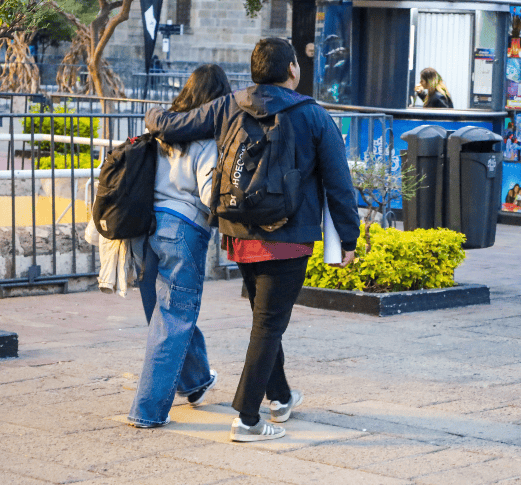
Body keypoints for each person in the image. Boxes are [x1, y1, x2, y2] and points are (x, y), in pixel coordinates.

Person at [144, 37, 361, 442]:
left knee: (266, 319)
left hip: (239, 234)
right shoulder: (314, 115)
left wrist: (152, 115)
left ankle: (279, 397)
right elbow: (338, 183)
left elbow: (176, 125)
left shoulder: (229, 105)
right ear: (293, 70)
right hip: (289, 236)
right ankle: (246, 418)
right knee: (268, 323)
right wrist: (348, 237)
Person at [126, 64, 233, 429]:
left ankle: (195, 380)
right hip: (183, 229)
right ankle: (148, 410)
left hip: (146, 226)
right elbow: (208, 194)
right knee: (174, 316)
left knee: (166, 310)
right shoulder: (207, 139)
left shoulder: (161, 129)